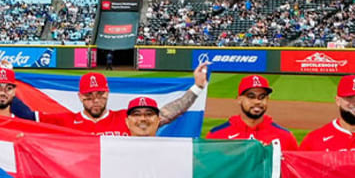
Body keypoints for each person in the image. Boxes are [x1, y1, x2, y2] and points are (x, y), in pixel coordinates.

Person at [71, 64, 207, 134]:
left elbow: (167, 113)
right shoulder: (64, 122)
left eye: (100, 94)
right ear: (80, 96)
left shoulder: (127, 119)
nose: (95, 100)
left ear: (108, 93)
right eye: (89, 95)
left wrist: (197, 87)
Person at [208, 74, 299, 146]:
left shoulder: (285, 136)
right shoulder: (217, 135)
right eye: (251, 97)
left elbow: (295, 167)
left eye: (262, 97)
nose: (257, 101)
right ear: (239, 99)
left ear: (267, 100)